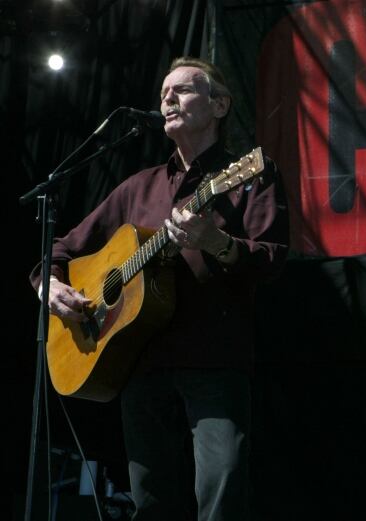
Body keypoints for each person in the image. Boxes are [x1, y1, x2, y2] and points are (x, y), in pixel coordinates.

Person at [30, 56, 289, 519]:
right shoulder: (137, 188)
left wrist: (217, 243)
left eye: (183, 90)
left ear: (220, 105)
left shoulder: (247, 174)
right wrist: (50, 286)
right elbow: (61, 249)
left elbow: (271, 256)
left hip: (213, 356)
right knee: (149, 501)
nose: (167, 98)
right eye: (164, 92)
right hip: (140, 363)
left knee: (222, 487)